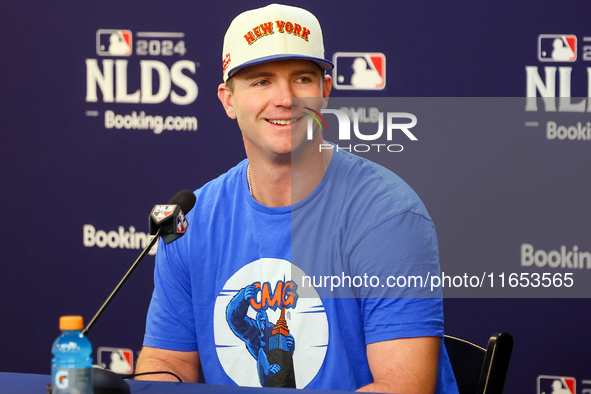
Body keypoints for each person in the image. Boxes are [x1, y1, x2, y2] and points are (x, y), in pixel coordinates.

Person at [136, 4, 458, 393]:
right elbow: (167, 362)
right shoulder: (193, 220)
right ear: (228, 100)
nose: (285, 98)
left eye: (302, 78)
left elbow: (401, 387)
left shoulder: (387, 216)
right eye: (261, 81)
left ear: (324, 90)